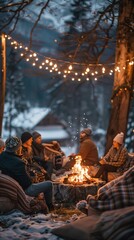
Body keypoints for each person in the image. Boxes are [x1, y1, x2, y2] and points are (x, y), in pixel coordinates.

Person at [0, 136, 54, 211]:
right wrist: (33, 177)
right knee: (49, 184)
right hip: (22, 189)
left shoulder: (1, 156)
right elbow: (27, 184)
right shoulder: (19, 162)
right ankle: (51, 208)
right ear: (18, 148)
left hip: (7, 185)